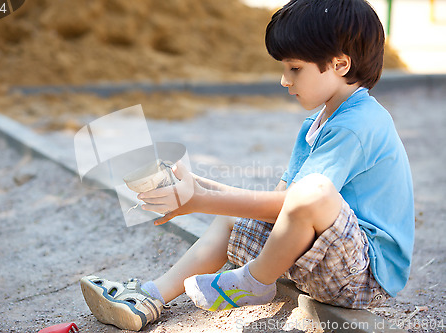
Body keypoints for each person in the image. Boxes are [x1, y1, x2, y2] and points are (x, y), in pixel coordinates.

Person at [80, 0, 414, 330]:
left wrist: (201, 200)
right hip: (325, 263)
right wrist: (194, 188)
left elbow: (302, 200)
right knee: (238, 214)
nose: (285, 80)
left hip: (363, 276)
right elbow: (280, 206)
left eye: (294, 68)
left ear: (340, 64)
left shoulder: (359, 124)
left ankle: (253, 282)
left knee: (315, 191)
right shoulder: (317, 123)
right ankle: (148, 298)